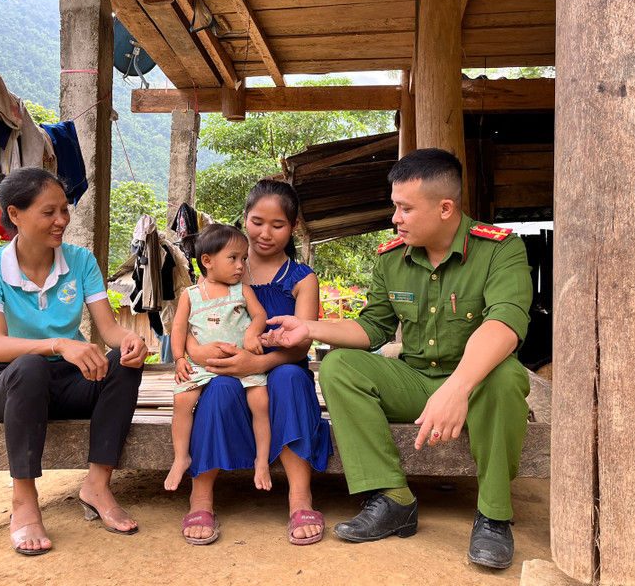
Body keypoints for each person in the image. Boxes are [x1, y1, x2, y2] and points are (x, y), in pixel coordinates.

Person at [262, 148, 533, 569]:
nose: (395, 218)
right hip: (415, 380)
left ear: (445, 208)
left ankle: (494, 516)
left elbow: (505, 324)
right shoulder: (391, 258)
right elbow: (373, 329)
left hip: (474, 383)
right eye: (395, 206)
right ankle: (393, 499)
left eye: (405, 208)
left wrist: (457, 388)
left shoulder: (501, 249)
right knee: (339, 365)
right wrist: (310, 328)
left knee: (506, 376)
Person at [0, 167, 148, 555]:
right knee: (31, 367)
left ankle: (97, 486)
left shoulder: (80, 261)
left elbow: (108, 329)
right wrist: (58, 344)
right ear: (15, 215)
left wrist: (131, 340)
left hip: (71, 381)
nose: (62, 221)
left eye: (64, 210)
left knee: (123, 362)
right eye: (49, 212)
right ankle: (24, 501)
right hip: (13, 385)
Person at [179, 179, 332, 546]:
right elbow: (188, 319)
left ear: (294, 227)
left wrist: (256, 364)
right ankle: (200, 497)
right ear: (244, 218)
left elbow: (301, 346)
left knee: (290, 378)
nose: (265, 234)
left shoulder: (301, 278)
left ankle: (299, 499)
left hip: (278, 370)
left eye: (278, 225)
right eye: (257, 222)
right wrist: (192, 352)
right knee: (219, 386)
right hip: (225, 372)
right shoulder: (216, 267)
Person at [166, 223, 271, 492]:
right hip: (204, 365)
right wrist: (179, 358)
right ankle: (181, 457)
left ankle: (261, 460)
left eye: (244, 259)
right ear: (207, 261)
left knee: (260, 403)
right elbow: (179, 328)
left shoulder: (242, 291)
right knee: (182, 401)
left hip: (243, 363)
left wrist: (252, 334)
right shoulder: (190, 295)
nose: (241, 266)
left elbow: (260, 316)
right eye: (233, 258)